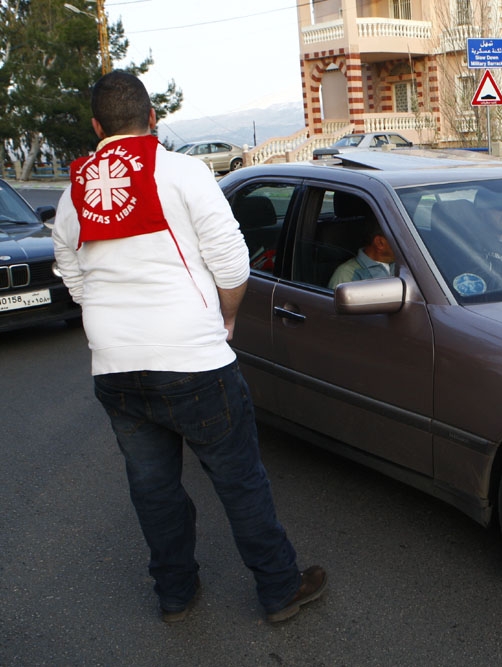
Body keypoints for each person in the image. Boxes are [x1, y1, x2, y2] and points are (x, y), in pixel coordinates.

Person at [51, 71, 326, 624]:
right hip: (193, 361)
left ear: (96, 126)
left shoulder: (73, 192)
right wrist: (224, 318)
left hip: (116, 367)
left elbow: (72, 273)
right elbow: (230, 261)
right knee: (239, 479)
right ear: (153, 118)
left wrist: (108, 321)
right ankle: (278, 589)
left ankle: (175, 594)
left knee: (153, 489)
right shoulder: (181, 172)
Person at [328, 217, 396, 288]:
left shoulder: (403, 264)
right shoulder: (347, 274)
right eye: (400, 239)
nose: (406, 243)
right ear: (379, 243)